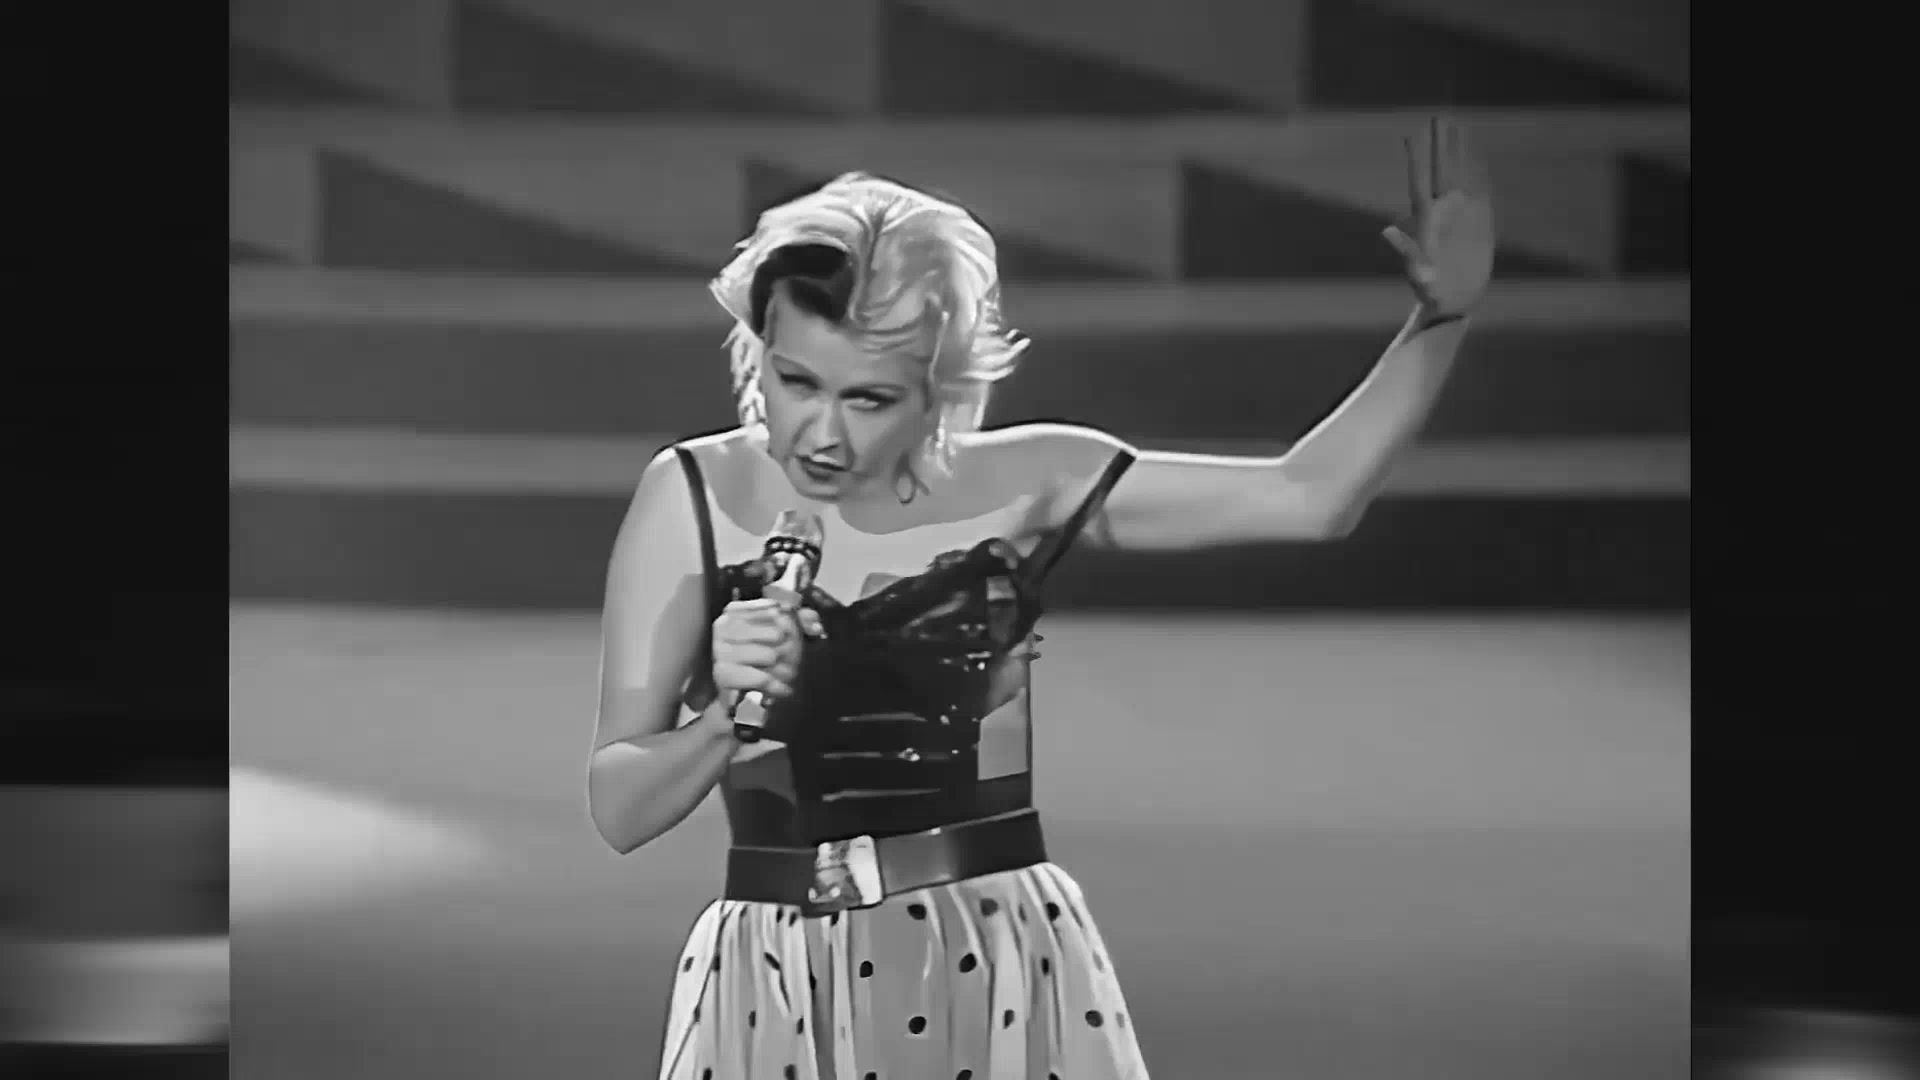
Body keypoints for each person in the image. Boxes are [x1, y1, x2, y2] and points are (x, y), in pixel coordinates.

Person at [589, 117, 1495, 1080]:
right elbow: (619, 808)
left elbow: (1309, 496)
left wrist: (1440, 322)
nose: (821, 434)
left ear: (937, 390)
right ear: (758, 350)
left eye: (869, 399)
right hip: (777, 978)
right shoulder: (692, 497)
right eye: (796, 381)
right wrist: (723, 720)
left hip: (992, 962)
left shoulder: (1030, 481)